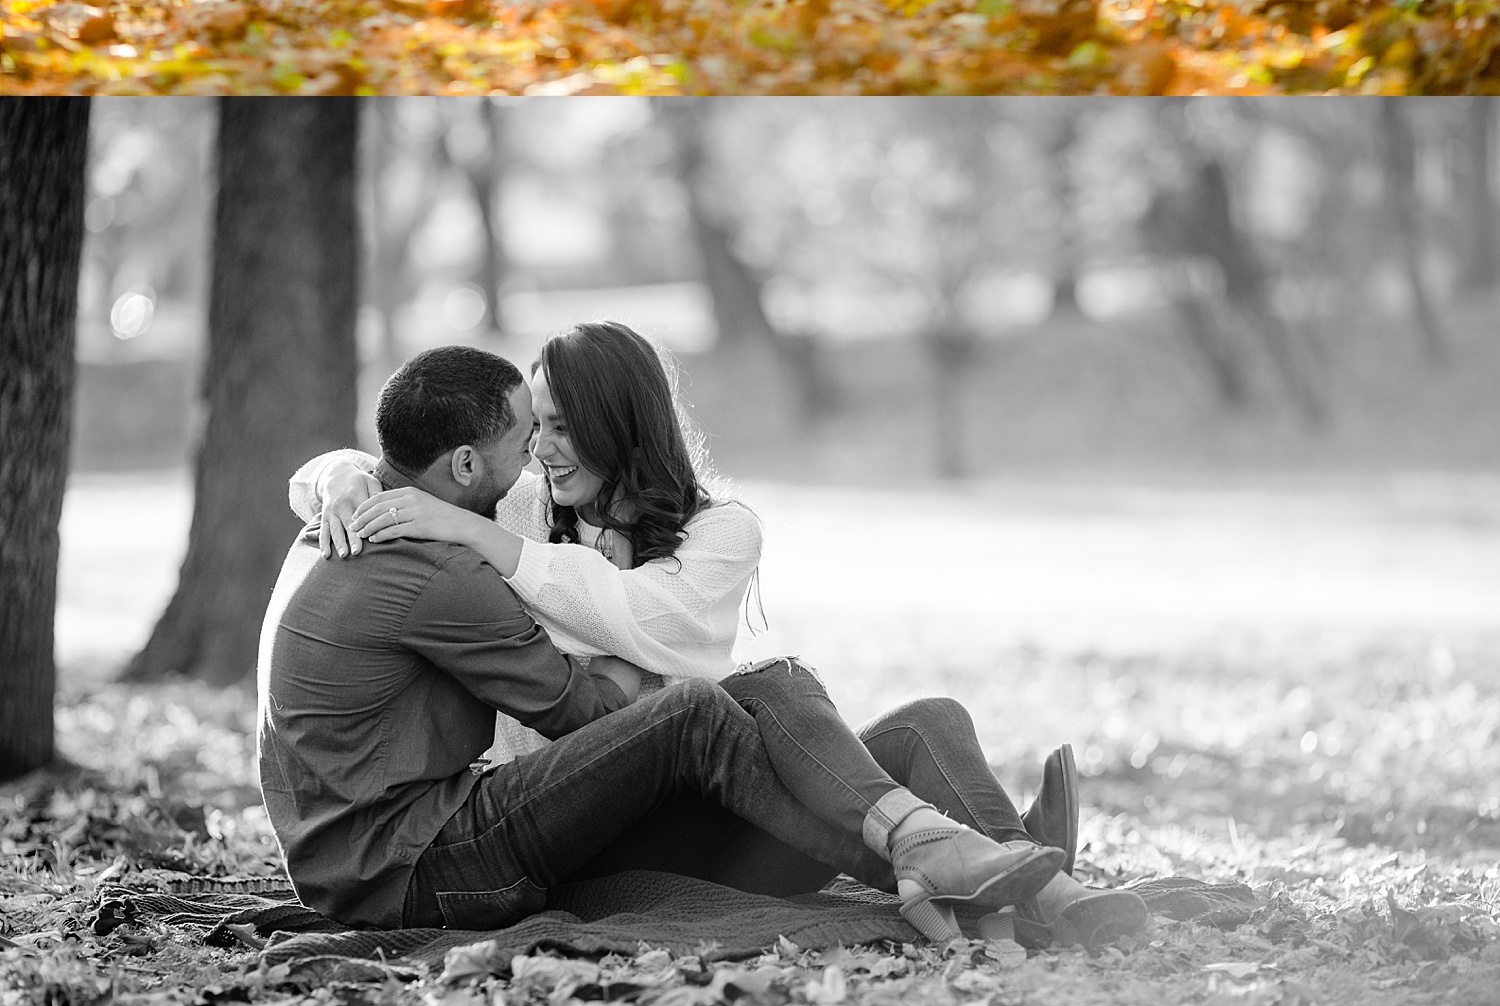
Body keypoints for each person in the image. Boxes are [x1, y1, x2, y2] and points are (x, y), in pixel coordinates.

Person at [291, 326, 1148, 951]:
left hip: (705, 790)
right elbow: (415, 461)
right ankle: (1011, 870)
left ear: (618, 423)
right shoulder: (517, 504)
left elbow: (646, 619)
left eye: (560, 424)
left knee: (931, 719)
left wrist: (492, 544)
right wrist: (338, 476)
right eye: (534, 426)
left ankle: (1019, 871)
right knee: (771, 685)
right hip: (588, 808)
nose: (542, 450)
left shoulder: (721, 531)